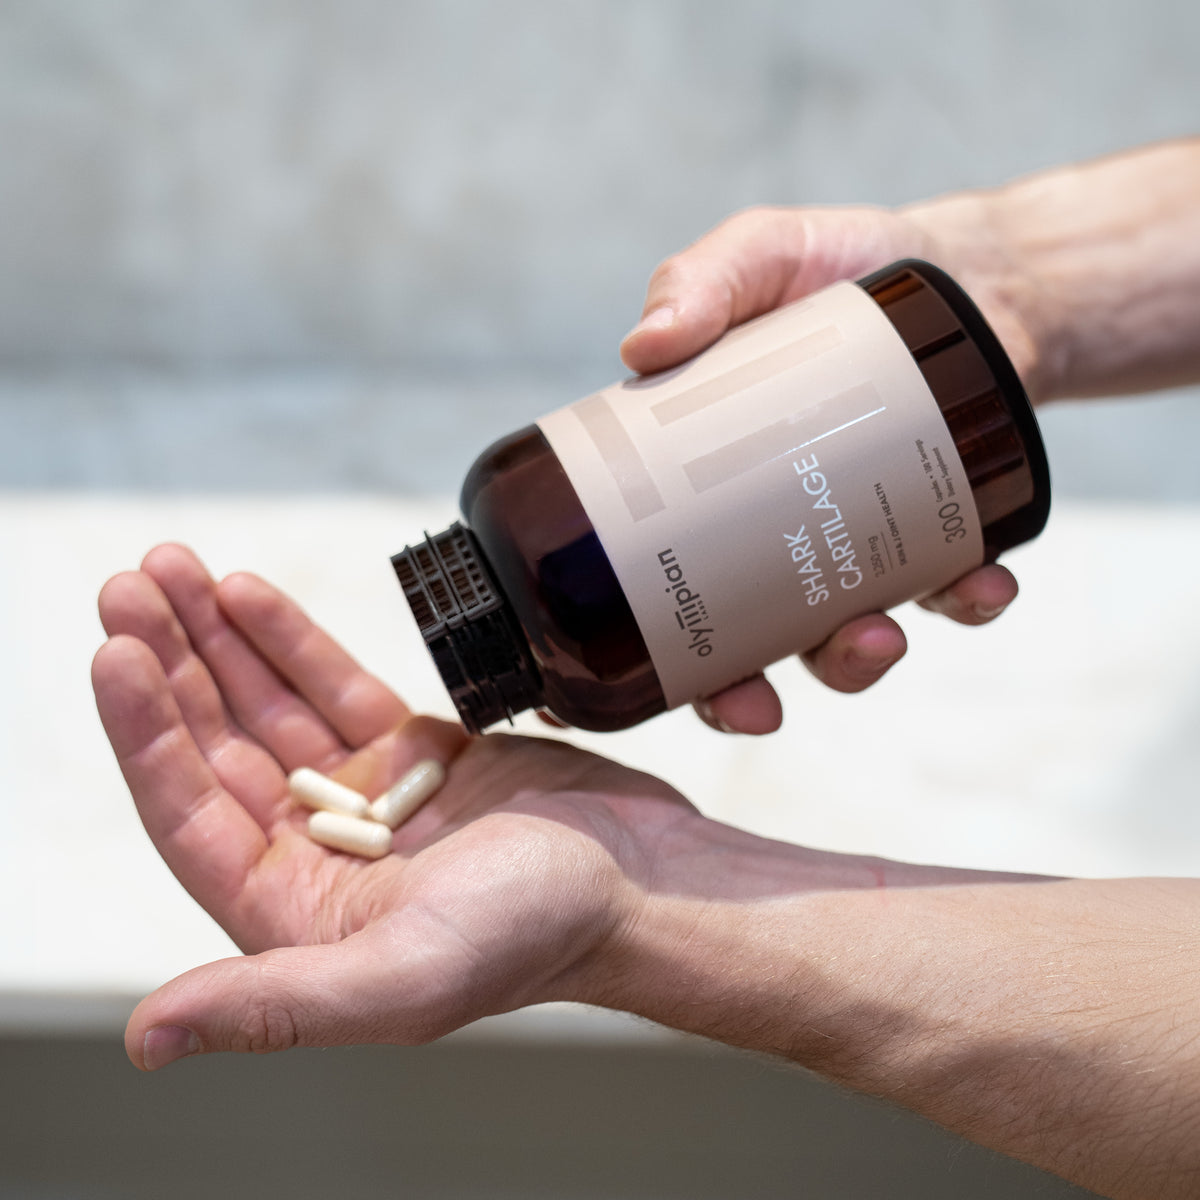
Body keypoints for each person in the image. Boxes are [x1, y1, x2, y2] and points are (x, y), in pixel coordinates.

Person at [92, 138, 1200, 1199]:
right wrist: (1012, 284)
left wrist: (640, 912)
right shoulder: (537, 570)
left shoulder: (563, 626)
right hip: (918, 404)